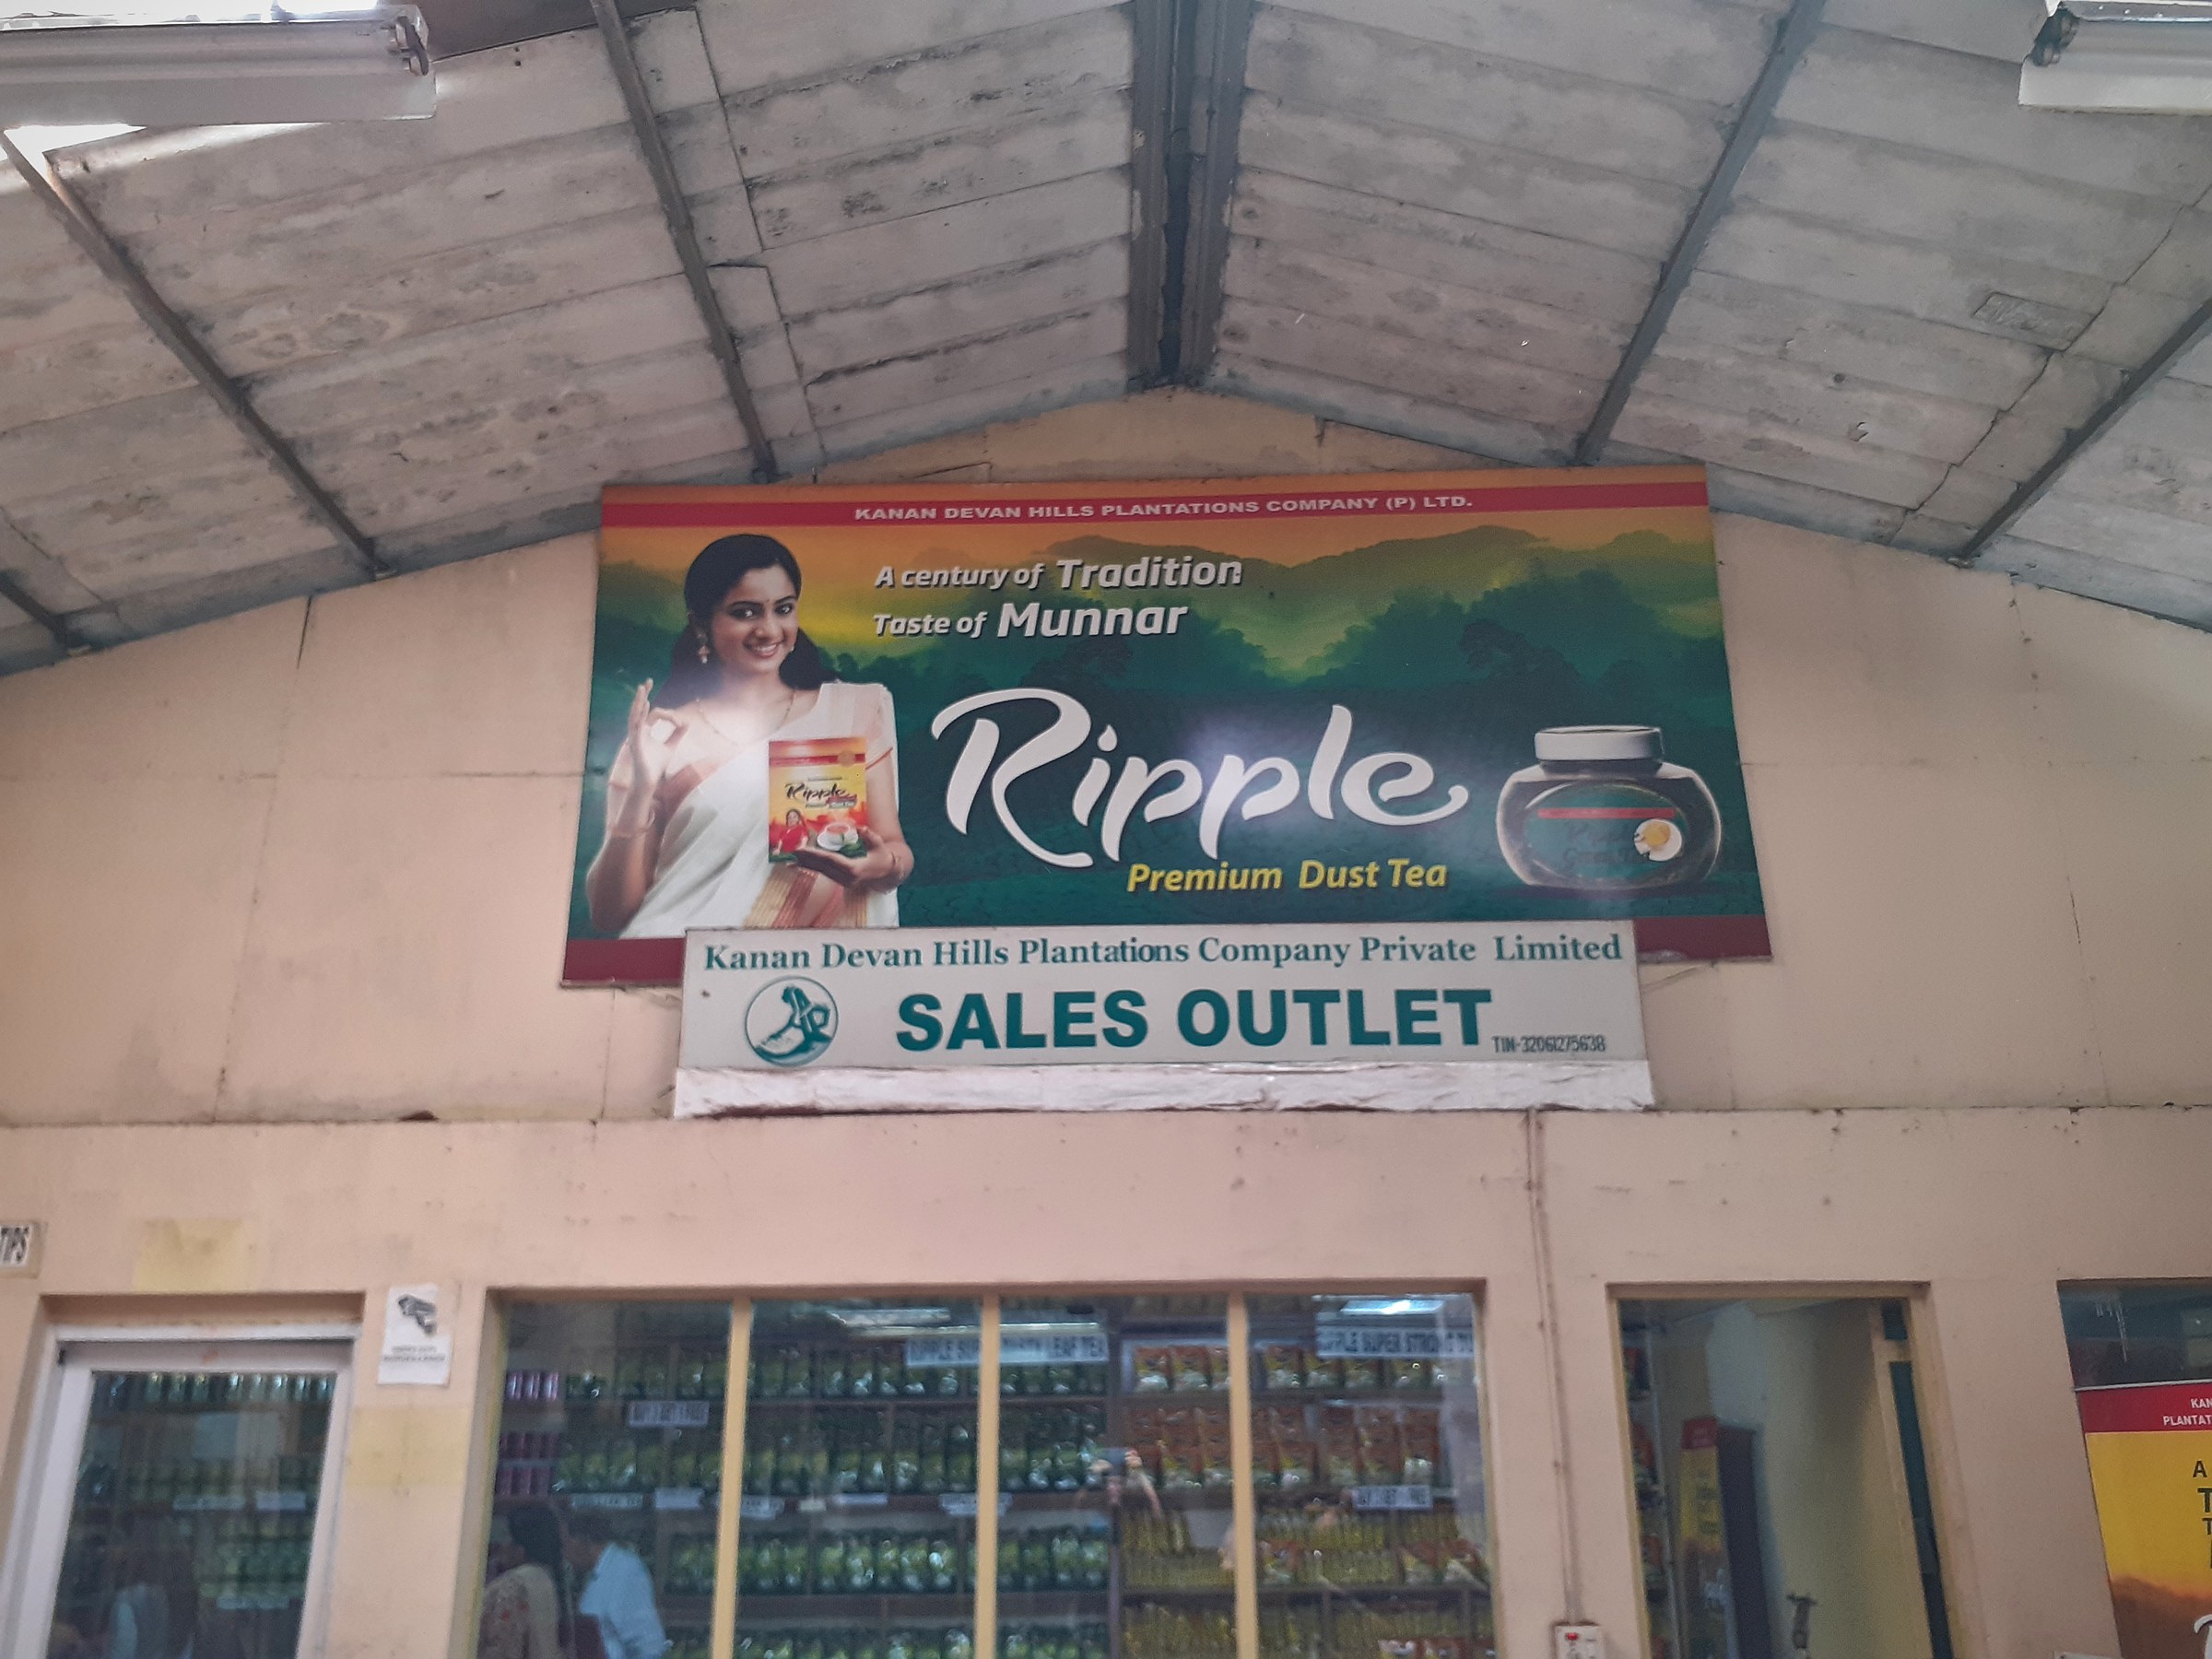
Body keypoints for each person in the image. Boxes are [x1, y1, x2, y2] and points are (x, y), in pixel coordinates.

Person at [585, 534, 912, 936]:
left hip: (820, 970)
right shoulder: (662, 736)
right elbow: (610, 917)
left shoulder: (850, 712)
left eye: (784, 609)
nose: (769, 629)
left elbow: (894, 847)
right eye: (745, 613)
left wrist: (879, 866)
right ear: (701, 623)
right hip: (677, 964)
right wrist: (640, 790)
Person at [564, 1512, 667, 1659]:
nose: (565, 1555)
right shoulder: (593, 1573)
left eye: (566, 1545)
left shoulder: (625, 1570)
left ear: (581, 1542)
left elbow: (646, 1642)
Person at [477, 1504, 565, 1659]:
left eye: (506, 1537)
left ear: (520, 1547)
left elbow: (500, 1647)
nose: (501, 1545)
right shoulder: (550, 1580)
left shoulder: (511, 1586)